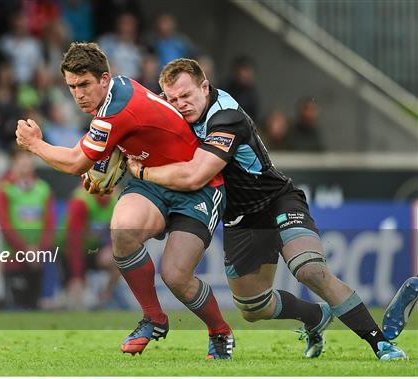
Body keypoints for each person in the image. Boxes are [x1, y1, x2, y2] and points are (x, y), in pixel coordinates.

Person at [126, 58, 407, 361]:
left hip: (277, 200)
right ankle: (315, 317)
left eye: (186, 95)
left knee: (309, 269)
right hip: (240, 219)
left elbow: (196, 175)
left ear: (204, 86)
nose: (180, 105)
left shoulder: (227, 116)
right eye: (172, 99)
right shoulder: (173, 116)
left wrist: (142, 173)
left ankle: (381, 344)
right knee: (253, 308)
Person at [16, 42, 234, 359]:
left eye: (84, 84)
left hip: (196, 186)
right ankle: (154, 318)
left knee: (175, 275)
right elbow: (117, 143)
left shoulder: (114, 111)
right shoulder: (116, 92)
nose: (78, 94)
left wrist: (35, 144)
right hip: (151, 179)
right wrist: (104, 168)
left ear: (104, 78)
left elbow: (77, 162)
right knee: (123, 232)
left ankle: (219, 331)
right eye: (72, 86)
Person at [0, 144, 56, 309]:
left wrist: (39, 251)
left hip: (37, 260)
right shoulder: (4, 190)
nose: (26, 162)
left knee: (34, 309)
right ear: (13, 162)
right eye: (21, 158)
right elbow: (5, 226)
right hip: (13, 259)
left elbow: (49, 224)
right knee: (15, 309)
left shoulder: (43, 189)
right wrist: (25, 250)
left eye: (29, 157)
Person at [57, 184, 120, 310]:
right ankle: (66, 296)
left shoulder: (116, 200)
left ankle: (104, 298)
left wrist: (110, 247)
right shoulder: (81, 201)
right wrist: (77, 277)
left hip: (93, 249)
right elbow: (74, 242)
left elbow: (119, 232)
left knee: (119, 260)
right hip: (68, 251)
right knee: (73, 302)